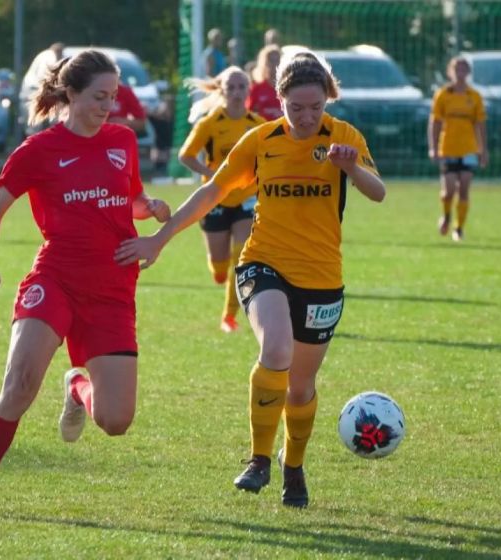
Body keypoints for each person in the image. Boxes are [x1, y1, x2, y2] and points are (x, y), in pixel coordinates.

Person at [115, 52, 385, 508]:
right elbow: (212, 191)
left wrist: (351, 167)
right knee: (275, 349)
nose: (304, 116)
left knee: (300, 387)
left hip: (322, 276)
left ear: (326, 101)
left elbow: (377, 191)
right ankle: (259, 458)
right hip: (264, 263)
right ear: (278, 99)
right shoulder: (261, 140)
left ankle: (292, 467)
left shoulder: (344, 137)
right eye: (294, 107)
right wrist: (161, 237)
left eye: (314, 107)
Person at [0, 50, 171, 518]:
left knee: (116, 421)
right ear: (70, 94)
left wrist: (151, 208)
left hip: (112, 290)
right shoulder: (38, 150)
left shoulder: (123, 140)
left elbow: (129, 199)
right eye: (97, 96)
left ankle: (77, 385)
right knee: (20, 386)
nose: (107, 106)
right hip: (56, 280)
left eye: (112, 96)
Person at [179, 66, 265, 333]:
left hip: (246, 199)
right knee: (219, 264)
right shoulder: (209, 123)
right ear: (222, 90)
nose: (238, 92)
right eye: (232, 87)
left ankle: (229, 315)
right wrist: (212, 174)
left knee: (241, 255)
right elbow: (186, 155)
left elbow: (269, 157)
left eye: (242, 87)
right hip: (215, 198)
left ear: (248, 90)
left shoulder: (259, 124)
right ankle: (218, 270)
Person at [428, 56, 487, 242]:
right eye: (457, 70)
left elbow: (480, 124)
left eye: (464, 70)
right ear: (450, 72)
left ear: (468, 73)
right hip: (448, 148)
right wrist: (433, 147)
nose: (460, 74)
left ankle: (459, 228)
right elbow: (435, 122)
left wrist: (483, 149)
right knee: (449, 191)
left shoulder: (474, 96)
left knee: (464, 188)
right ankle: (446, 215)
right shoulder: (443, 95)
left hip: (469, 149)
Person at [247, 45, 283, 121]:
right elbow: (248, 114)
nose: (274, 64)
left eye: (277, 60)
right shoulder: (256, 88)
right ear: (264, 63)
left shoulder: (287, 88)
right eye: (271, 60)